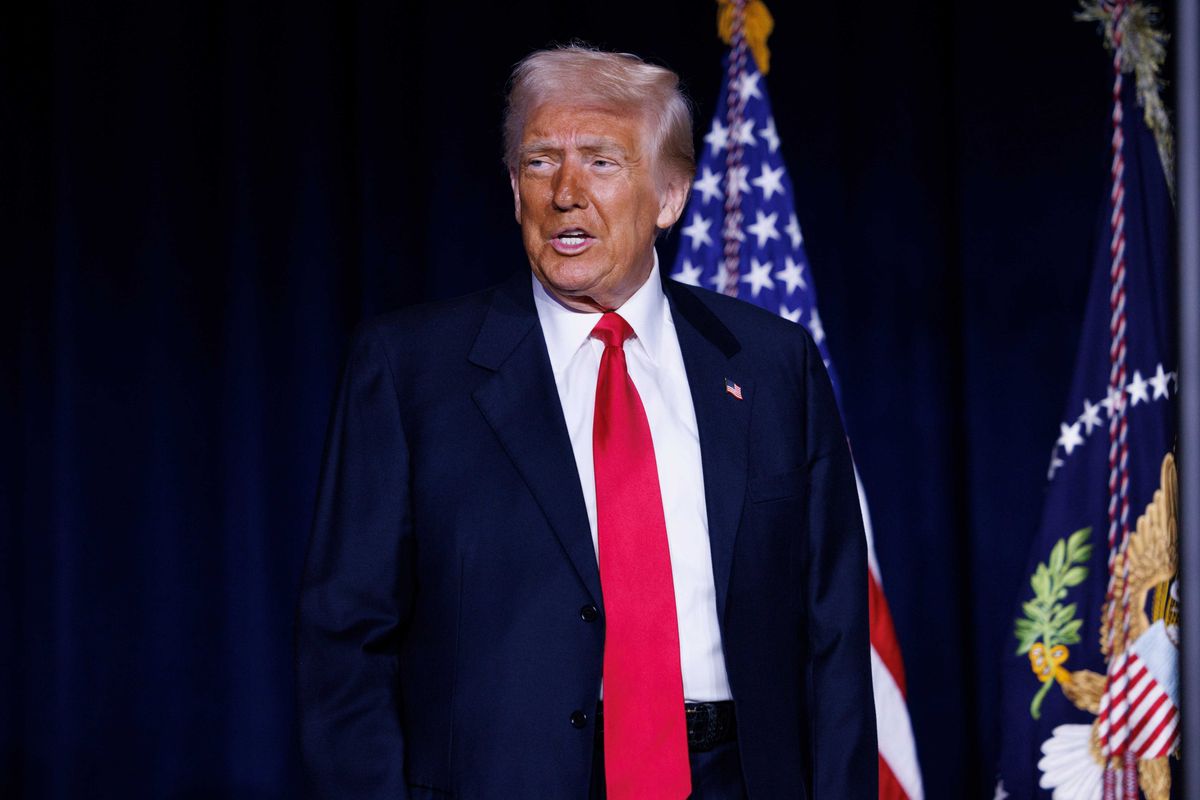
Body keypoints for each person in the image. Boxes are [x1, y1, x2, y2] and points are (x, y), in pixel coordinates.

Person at [297, 45, 877, 799]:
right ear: (514, 189)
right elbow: (346, 643)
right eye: (540, 162)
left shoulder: (772, 366)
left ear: (670, 196)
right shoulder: (409, 371)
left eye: (602, 162)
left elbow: (832, 636)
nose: (566, 192)